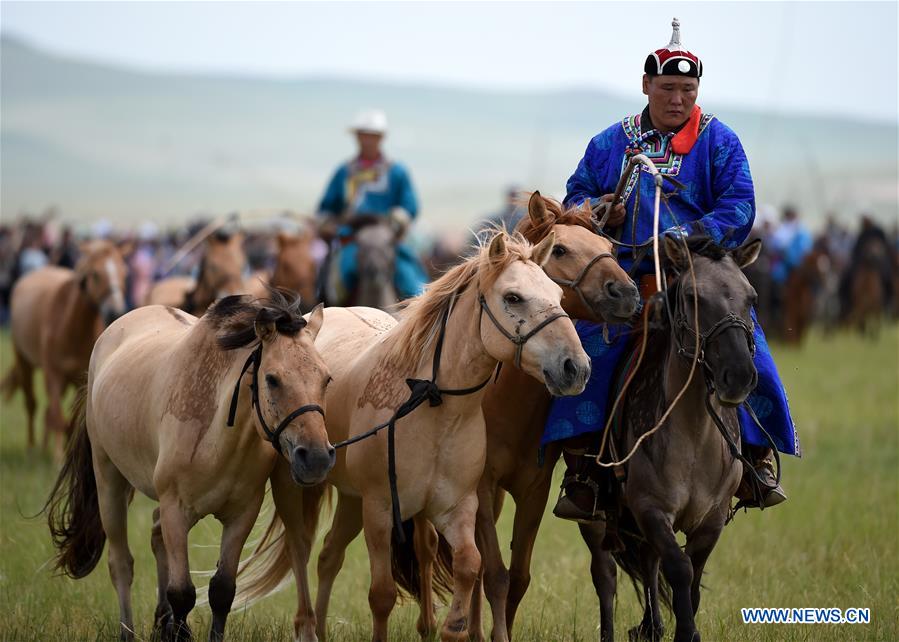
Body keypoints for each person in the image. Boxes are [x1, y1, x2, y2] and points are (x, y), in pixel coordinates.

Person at [548, 18, 798, 522]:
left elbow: (740, 204)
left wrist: (687, 237)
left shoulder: (719, 141)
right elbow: (573, 199)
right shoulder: (608, 144)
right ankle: (582, 472)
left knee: (746, 342)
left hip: (700, 270)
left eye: (687, 89)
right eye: (668, 88)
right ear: (646, 86)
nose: (678, 99)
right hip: (627, 273)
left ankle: (755, 459)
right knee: (588, 346)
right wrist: (599, 209)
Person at [317, 109, 428, 302]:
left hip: (387, 240)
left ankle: (421, 318)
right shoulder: (344, 171)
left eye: (373, 136)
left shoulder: (397, 171)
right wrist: (326, 222)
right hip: (351, 239)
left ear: (381, 138)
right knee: (334, 282)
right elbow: (326, 207)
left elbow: (410, 206)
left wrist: (398, 219)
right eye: (363, 135)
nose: (367, 140)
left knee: (413, 283)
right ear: (357, 137)